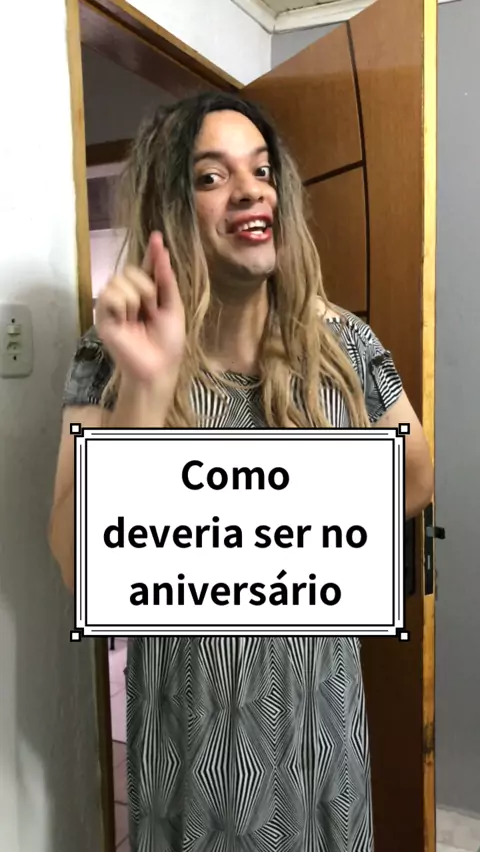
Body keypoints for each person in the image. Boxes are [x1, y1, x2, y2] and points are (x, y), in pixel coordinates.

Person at [49, 91, 433, 852]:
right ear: (169, 207)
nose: (252, 190)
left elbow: (416, 479)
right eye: (211, 176)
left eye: (261, 171)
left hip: (321, 733)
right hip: (192, 747)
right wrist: (148, 392)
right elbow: (75, 561)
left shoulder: (343, 343)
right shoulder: (108, 357)